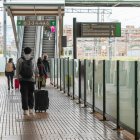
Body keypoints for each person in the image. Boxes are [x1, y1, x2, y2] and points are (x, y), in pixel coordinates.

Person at [16, 47, 35, 115]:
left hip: (23, 80)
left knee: (24, 95)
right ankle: (31, 109)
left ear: (24, 52)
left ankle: (25, 110)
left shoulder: (20, 60)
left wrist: (18, 78)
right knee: (31, 94)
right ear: (30, 52)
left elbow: (17, 70)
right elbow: (34, 70)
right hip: (31, 80)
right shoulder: (33, 60)